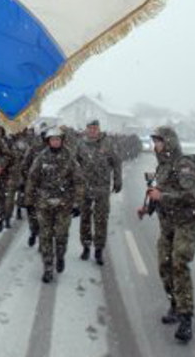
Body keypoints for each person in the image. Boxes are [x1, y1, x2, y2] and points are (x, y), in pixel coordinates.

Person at [137, 126, 195, 344]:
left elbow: (192, 197)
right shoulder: (163, 166)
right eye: (154, 141)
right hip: (168, 224)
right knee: (163, 266)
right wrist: (148, 208)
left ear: (169, 142)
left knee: (179, 264)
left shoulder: (184, 165)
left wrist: (162, 195)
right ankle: (175, 304)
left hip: (186, 224)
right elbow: (160, 196)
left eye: (158, 141)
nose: (155, 145)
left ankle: (186, 319)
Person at [25, 126, 83, 283]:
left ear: (62, 141)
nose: (55, 142)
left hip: (64, 203)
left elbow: (78, 181)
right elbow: (32, 179)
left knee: (61, 235)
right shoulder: (41, 158)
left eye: (58, 139)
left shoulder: (70, 158)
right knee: (45, 236)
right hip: (44, 204)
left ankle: (60, 255)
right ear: (48, 141)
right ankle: (48, 266)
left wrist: (77, 202)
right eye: (52, 139)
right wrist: (29, 201)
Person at [76, 119, 122, 265]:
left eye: (95, 128)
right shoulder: (81, 144)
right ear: (87, 129)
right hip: (85, 187)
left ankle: (99, 249)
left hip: (102, 187)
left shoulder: (107, 143)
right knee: (85, 218)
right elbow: (75, 163)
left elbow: (116, 162)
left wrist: (117, 179)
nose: (92, 131)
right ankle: (86, 246)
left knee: (101, 219)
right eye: (90, 128)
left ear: (99, 129)